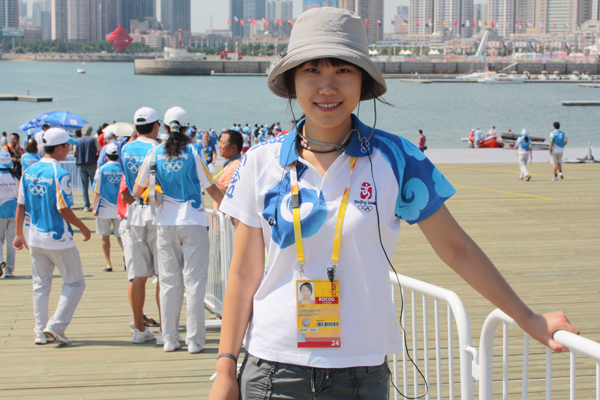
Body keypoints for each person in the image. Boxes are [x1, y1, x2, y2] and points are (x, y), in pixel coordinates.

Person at [209, 8, 578, 400]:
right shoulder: (260, 161)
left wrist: (528, 318)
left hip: (360, 373)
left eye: (343, 70)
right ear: (293, 80)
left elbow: (457, 248)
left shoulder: (397, 157)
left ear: (362, 80)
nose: (327, 87)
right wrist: (225, 367)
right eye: (312, 70)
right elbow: (244, 273)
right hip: (272, 369)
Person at [133, 106, 224, 354]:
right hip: (193, 221)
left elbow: (136, 190)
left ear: (164, 127)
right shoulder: (193, 151)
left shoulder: (155, 152)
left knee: (169, 283)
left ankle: (170, 339)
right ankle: (194, 341)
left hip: (165, 224)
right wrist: (233, 210)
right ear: (186, 128)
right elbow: (211, 187)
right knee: (194, 283)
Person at [14, 128, 90, 345]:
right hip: (59, 238)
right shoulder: (60, 174)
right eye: (68, 146)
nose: (70, 150)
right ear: (58, 149)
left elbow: (20, 205)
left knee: (40, 284)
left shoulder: (28, 172)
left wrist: (19, 233)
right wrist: (83, 227)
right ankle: (56, 326)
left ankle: (40, 331)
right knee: (75, 282)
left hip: (34, 236)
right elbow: (63, 209)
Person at [121, 107, 162, 344]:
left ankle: (138, 328)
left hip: (134, 211)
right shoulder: (157, 148)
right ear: (156, 126)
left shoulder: (125, 148)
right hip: (155, 210)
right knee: (163, 273)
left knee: (138, 275)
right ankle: (165, 329)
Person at [92, 142, 124, 272]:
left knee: (105, 236)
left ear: (107, 155)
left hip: (104, 208)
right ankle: (125, 255)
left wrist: (94, 207)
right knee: (121, 236)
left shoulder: (101, 170)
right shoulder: (123, 169)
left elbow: (96, 191)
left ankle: (108, 263)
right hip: (119, 208)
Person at [0, 152, 19, 278]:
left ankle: (0, 260)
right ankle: (9, 270)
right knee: (11, 242)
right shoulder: (15, 177)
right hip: (14, 212)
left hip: (0, 212)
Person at [213, 130, 243, 211]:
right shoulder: (234, 163)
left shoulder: (234, 166)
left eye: (222, 143)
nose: (219, 146)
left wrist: (206, 179)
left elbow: (227, 193)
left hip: (226, 216)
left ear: (233, 147)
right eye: (219, 142)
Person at [74, 124, 99, 212]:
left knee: (84, 186)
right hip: (92, 163)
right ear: (90, 131)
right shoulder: (93, 140)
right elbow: (99, 150)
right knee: (94, 185)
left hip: (81, 164)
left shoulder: (77, 141)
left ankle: (86, 206)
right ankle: (96, 204)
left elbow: (74, 154)